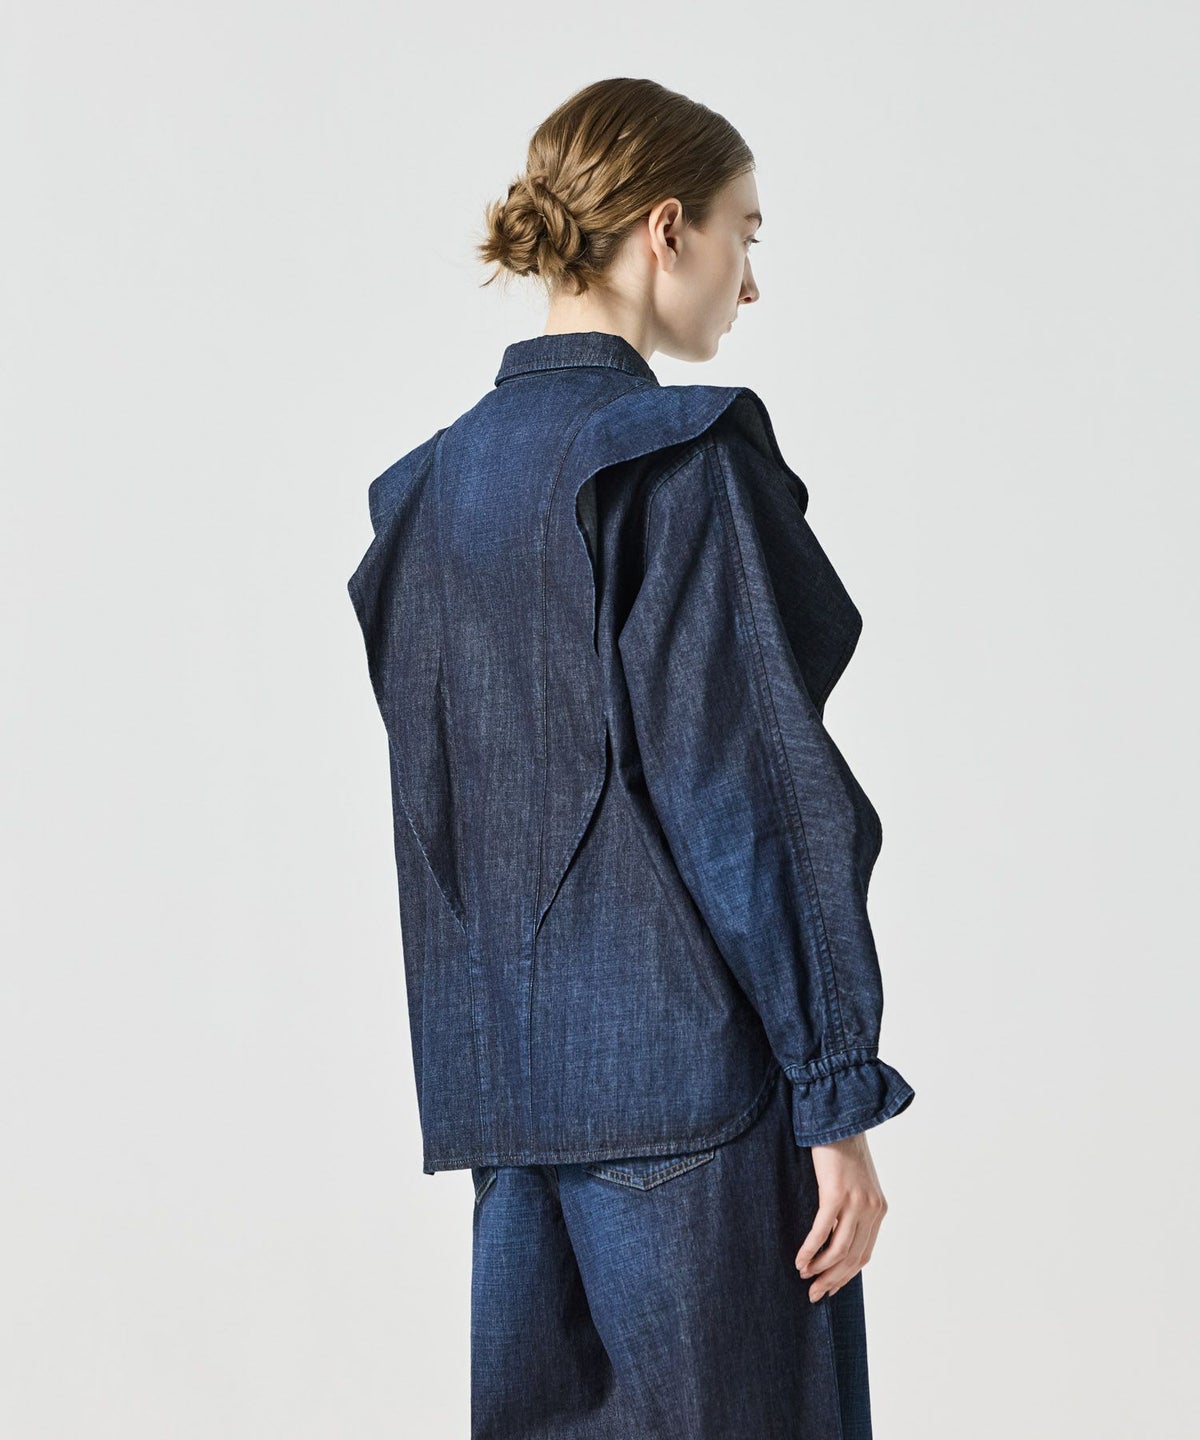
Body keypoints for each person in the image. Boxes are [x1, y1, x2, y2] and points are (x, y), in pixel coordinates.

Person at [347, 76, 916, 1439]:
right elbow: (755, 797)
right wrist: (835, 1093)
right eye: (743, 233)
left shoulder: (422, 494)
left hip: (510, 1119)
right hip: (697, 1114)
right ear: (666, 229)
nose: (750, 282)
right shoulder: (673, 460)